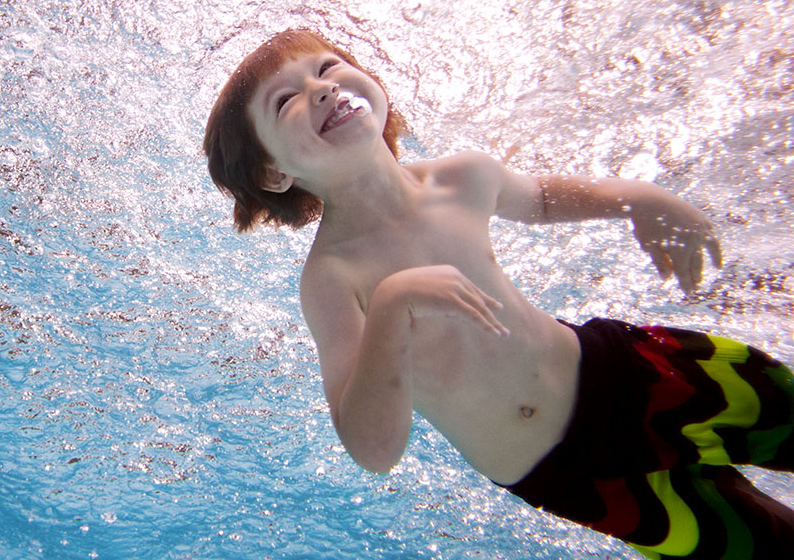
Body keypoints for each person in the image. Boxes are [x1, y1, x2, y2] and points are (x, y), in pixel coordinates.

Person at [203, 29, 794, 559]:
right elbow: (372, 449)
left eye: (329, 68)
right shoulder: (333, 277)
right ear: (273, 174)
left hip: (628, 371)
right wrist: (391, 304)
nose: (323, 90)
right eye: (286, 100)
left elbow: (540, 199)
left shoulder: (461, 177)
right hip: (569, 472)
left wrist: (638, 198)